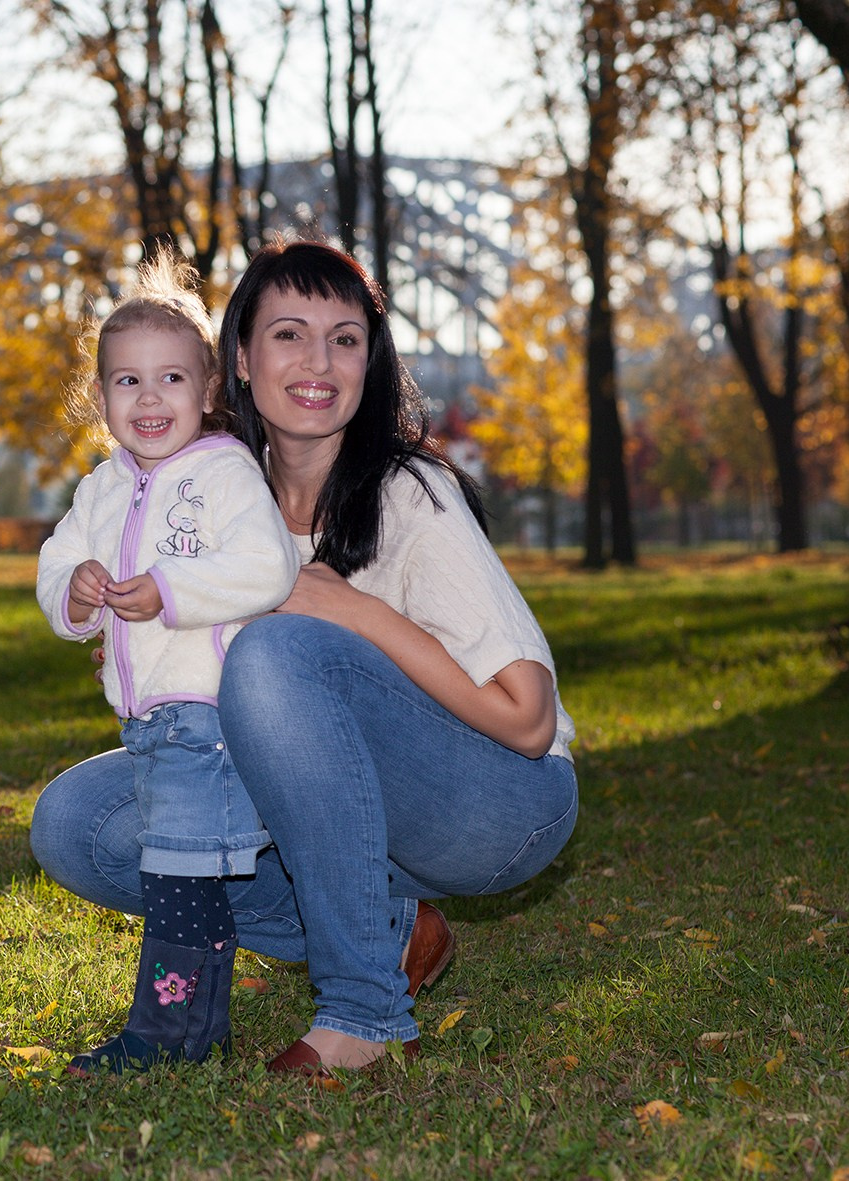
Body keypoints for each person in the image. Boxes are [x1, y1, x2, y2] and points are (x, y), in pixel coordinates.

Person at [30, 237, 579, 1079]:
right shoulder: (215, 488)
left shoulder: (408, 494)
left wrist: (346, 608)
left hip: (496, 800)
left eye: (346, 338)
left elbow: (529, 719)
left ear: (371, 360)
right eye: (289, 334)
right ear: (239, 360)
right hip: (336, 804)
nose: (319, 361)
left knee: (279, 650)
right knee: (81, 823)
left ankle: (364, 1013)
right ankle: (392, 931)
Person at [36, 254, 301, 1074]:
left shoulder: (223, 472)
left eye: (171, 378)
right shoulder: (100, 488)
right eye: (126, 382)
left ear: (208, 387)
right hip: (148, 720)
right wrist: (75, 594)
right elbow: (55, 565)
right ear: (101, 394)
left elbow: (268, 567)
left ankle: (165, 1034)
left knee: (177, 875)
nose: (149, 400)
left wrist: (170, 589)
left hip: (210, 711)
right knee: (186, 871)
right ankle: (201, 1030)